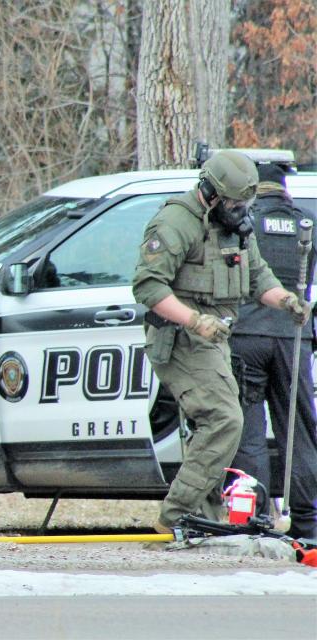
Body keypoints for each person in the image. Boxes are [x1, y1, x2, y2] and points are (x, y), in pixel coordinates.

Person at [131, 150, 309, 534]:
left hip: (215, 341)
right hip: (180, 339)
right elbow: (148, 286)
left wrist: (287, 301)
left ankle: (205, 518)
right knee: (225, 419)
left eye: (245, 203)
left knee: (215, 425)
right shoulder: (176, 222)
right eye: (233, 202)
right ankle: (177, 513)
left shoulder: (236, 227)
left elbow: (259, 276)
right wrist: (195, 321)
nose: (240, 210)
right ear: (210, 193)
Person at [229, 163, 317, 539]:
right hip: (292, 336)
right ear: (285, 190)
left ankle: (252, 520)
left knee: (248, 430)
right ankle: (308, 522)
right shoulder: (306, 223)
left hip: (246, 333)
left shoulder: (244, 222)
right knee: (297, 430)